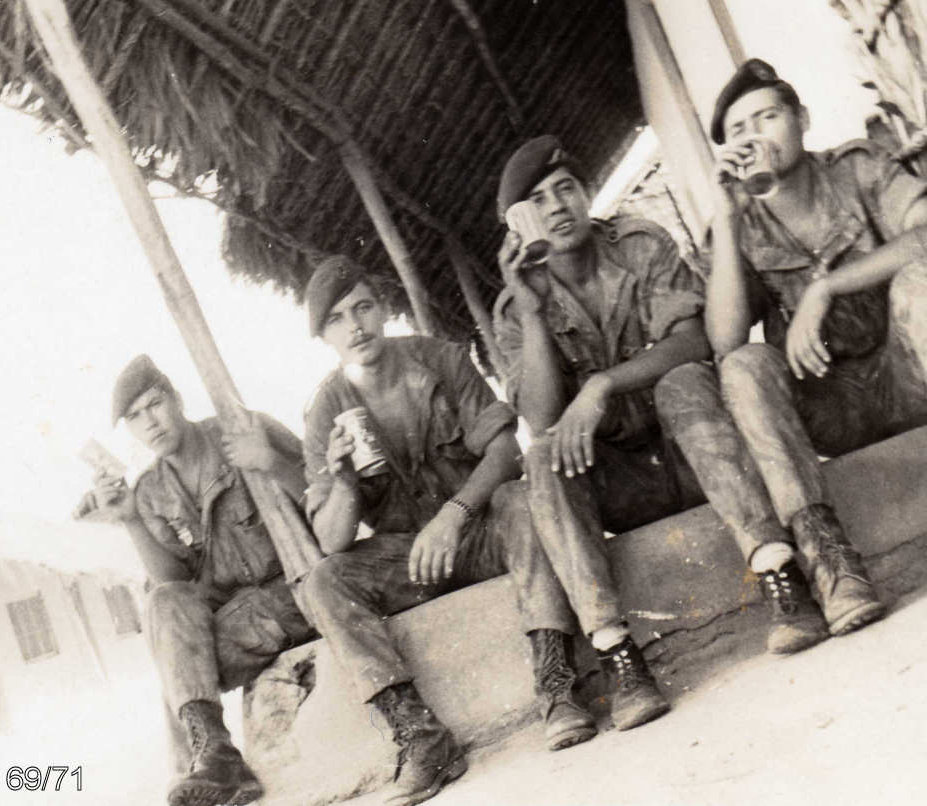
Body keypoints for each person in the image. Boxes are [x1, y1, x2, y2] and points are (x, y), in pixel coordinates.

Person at [298, 255, 669, 806]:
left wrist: (455, 514)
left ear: (383, 309)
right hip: (408, 559)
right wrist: (343, 479)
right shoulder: (325, 410)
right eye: (336, 320)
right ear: (324, 337)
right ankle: (421, 739)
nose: (355, 326)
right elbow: (331, 541)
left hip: (477, 530)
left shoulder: (440, 359)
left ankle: (557, 687)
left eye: (363, 308)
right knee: (325, 580)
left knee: (519, 500)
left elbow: (505, 451)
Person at [492, 134, 841, 660]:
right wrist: (531, 311)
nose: (557, 207)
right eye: (537, 202)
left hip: (696, 447)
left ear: (585, 195)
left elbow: (694, 339)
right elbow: (540, 419)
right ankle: (616, 651)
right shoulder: (514, 309)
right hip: (623, 485)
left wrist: (602, 383)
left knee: (684, 380)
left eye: (565, 190)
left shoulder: (638, 245)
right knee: (542, 456)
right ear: (519, 228)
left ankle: (779, 573)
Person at [684, 57, 927, 642]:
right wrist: (726, 217)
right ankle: (830, 562)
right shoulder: (736, 226)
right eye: (739, 131)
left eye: (767, 118)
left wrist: (824, 288)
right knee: (743, 365)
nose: (755, 138)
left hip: (908, 371)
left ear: (802, 119)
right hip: (832, 406)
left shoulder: (857, 168)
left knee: (920, 279)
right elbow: (724, 340)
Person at [76, 355, 313, 806]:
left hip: (292, 595)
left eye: (155, 404)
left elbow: (319, 492)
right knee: (163, 603)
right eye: (135, 416)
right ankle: (215, 761)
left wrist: (266, 461)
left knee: (179, 671)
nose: (150, 422)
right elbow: (176, 586)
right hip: (238, 624)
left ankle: (208, 770)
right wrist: (131, 520)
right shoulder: (150, 490)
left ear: (178, 399)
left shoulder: (241, 431)